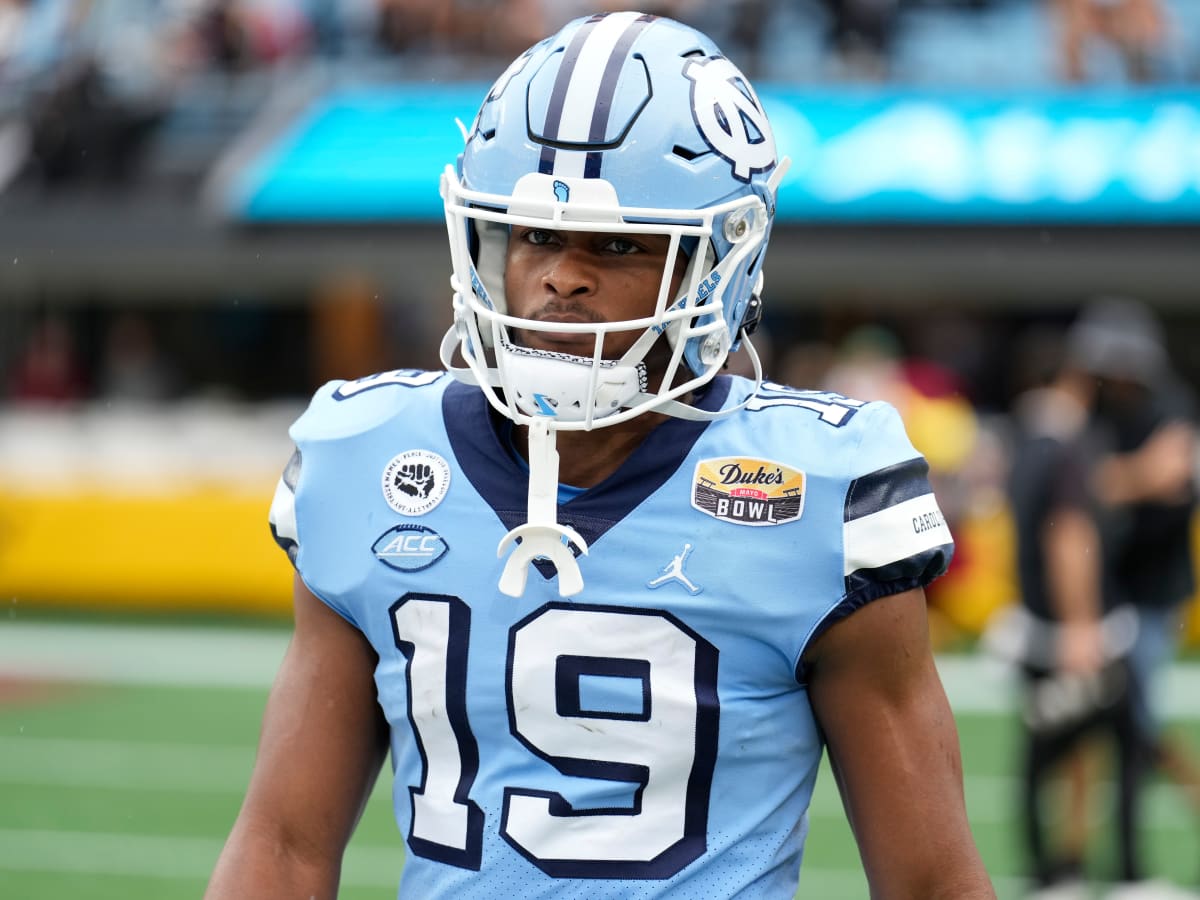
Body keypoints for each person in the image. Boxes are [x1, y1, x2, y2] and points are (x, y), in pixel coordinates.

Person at [206, 12, 995, 898]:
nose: (561, 276)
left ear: (721, 267)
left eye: (617, 245)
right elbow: (281, 846)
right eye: (533, 235)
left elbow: (931, 883)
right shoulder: (370, 462)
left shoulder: (819, 496)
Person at [993, 330, 1143, 899]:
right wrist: (1083, 626)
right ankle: (1116, 874)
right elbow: (1069, 537)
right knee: (1121, 744)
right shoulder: (1065, 445)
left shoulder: (1025, 441)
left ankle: (1050, 874)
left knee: (1042, 752)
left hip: (1036, 626)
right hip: (1072, 631)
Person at [1068, 298, 1200, 897]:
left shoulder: (1169, 406)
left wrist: (1115, 481)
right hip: (1109, 590)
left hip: (1151, 593)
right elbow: (1088, 483)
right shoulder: (1099, 412)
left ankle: (1125, 867)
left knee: (1137, 729)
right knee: (1095, 728)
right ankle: (1085, 863)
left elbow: (1162, 477)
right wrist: (1126, 478)